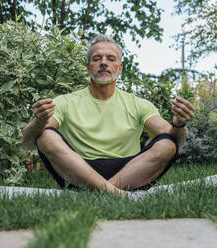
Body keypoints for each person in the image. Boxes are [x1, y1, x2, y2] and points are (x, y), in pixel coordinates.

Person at [22, 34, 195, 197]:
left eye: (110, 59)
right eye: (97, 59)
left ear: (119, 68)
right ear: (88, 68)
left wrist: (179, 124)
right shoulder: (64, 102)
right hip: (79, 171)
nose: (103, 63)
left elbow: (175, 143)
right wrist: (39, 121)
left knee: (167, 144)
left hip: (129, 172)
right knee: (44, 135)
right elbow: (27, 142)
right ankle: (117, 195)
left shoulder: (138, 104)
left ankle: (99, 193)